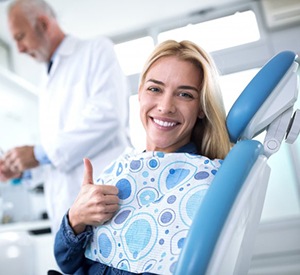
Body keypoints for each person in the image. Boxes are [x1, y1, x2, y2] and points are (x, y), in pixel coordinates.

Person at [53, 40, 232, 275]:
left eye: (185, 94)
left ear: (201, 107)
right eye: (155, 89)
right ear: (139, 93)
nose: (165, 106)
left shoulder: (202, 181)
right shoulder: (121, 169)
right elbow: (67, 263)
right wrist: (76, 218)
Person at [0, 0, 131, 234]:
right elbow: (59, 152)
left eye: (20, 36)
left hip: (104, 204)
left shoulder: (96, 51)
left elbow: (108, 116)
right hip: (68, 217)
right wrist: (24, 168)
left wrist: (38, 153)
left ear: (42, 24)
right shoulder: (46, 78)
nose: (19, 48)